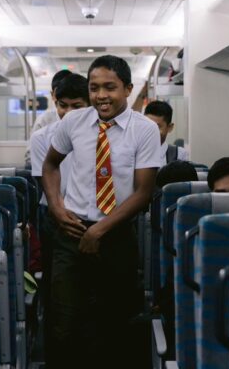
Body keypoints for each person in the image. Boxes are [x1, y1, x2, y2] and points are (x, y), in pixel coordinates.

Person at [42, 55, 162, 368]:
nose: (101, 95)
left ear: (128, 89)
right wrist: (56, 207)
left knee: (114, 324)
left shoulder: (145, 130)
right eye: (94, 88)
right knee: (64, 324)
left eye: (110, 87)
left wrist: (99, 230)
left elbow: (143, 192)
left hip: (117, 234)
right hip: (71, 232)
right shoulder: (74, 122)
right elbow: (50, 165)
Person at [29, 73, 90, 365]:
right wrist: (62, 213)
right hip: (54, 216)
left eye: (76, 106)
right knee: (58, 296)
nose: (68, 112)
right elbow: (45, 181)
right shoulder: (43, 136)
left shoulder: (102, 136)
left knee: (91, 295)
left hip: (91, 218)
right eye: (63, 105)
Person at [144, 100, 189, 165]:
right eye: (147, 126)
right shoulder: (134, 152)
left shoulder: (179, 155)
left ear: (169, 127)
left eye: (157, 127)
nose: (151, 132)